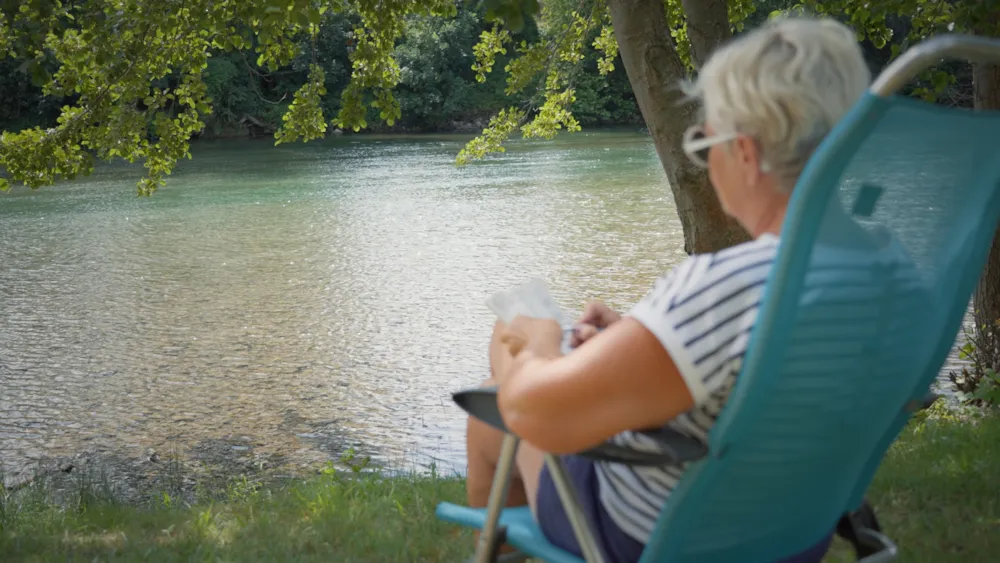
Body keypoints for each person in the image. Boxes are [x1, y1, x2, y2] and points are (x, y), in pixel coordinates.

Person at [464, 16, 873, 563]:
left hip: (660, 530)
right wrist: (638, 339)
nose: (706, 161)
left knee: (497, 387)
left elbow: (537, 413)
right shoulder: (887, 272)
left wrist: (537, 345)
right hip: (792, 530)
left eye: (707, 141)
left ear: (746, 153)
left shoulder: (735, 285)